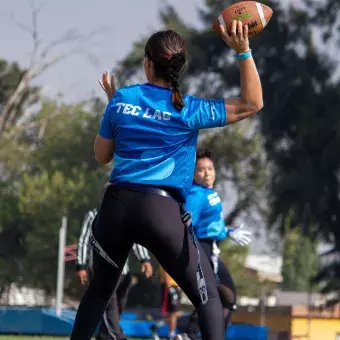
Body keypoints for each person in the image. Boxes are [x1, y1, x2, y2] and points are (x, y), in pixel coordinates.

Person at [70, 20, 263, 340]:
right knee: (209, 297)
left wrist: (118, 113)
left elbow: (102, 156)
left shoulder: (121, 100)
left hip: (116, 205)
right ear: (180, 67)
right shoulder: (188, 108)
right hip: (160, 209)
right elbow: (252, 103)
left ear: (147, 63)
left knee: (97, 294)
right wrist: (243, 52)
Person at [174, 149, 252, 340]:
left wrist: (228, 231)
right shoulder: (196, 194)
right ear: (192, 173)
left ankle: (202, 335)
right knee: (215, 294)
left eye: (210, 168)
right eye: (201, 170)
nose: (207, 173)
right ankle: (190, 334)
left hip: (210, 247)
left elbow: (211, 225)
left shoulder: (209, 192)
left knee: (228, 297)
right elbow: (187, 225)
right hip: (201, 248)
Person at [76, 208, 153, 340]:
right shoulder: (93, 215)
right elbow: (84, 240)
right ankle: (118, 336)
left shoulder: (125, 215)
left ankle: (104, 335)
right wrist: (81, 265)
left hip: (122, 270)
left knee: (119, 305)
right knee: (109, 306)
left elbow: (134, 237)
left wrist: (144, 259)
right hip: (100, 269)